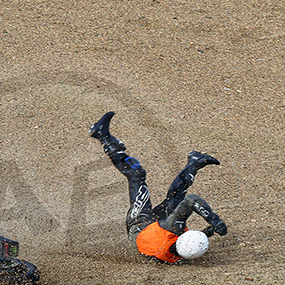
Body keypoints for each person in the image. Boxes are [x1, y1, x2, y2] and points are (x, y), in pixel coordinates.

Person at [89, 111, 227, 263]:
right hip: (154, 233)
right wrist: (206, 234)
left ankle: (103, 137)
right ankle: (194, 162)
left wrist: (215, 221)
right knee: (175, 197)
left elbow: (192, 200)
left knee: (136, 174)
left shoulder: (172, 229)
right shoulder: (174, 257)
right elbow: (186, 246)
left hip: (139, 224)